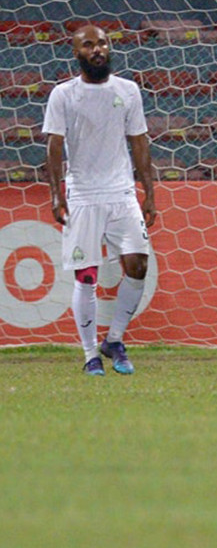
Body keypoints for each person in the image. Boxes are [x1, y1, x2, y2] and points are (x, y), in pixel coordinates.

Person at [43, 24, 156, 376]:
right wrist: (57, 194)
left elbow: (139, 142)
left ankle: (115, 340)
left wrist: (148, 193)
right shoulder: (63, 94)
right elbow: (54, 146)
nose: (97, 50)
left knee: (138, 265)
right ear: (76, 53)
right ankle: (90, 354)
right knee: (87, 276)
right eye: (88, 45)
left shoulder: (128, 90)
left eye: (103, 43)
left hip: (121, 192)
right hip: (84, 194)